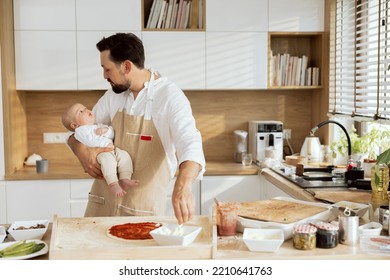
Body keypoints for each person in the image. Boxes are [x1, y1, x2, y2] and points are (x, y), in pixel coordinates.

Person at [67, 32, 205, 224]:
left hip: (142, 211)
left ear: (126, 66)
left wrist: (183, 185)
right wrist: (81, 151)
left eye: (107, 69)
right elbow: (78, 130)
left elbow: (190, 142)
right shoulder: (113, 96)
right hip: (103, 205)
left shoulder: (170, 97)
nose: (104, 76)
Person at [62, 103, 140, 197]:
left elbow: (112, 133)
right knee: (108, 162)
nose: (86, 110)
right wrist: (104, 142)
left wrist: (106, 130)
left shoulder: (97, 125)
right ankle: (113, 183)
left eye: (85, 108)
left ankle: (125, 179)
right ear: (74, 125)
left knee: (124, 156)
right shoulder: (80, 131)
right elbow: (89, 140)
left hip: (112, 149)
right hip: (101, 153)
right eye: (81, 111)